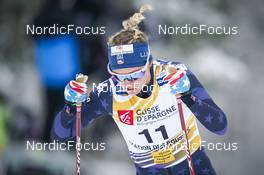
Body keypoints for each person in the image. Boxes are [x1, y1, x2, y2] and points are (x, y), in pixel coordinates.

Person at [52, 5, 227, 175]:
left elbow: (220, 125)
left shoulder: (173, 75)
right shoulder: (109, 92)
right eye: (119, 76)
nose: (128, 83)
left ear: (149, 64)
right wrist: (70, 107)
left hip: (192, 166)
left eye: (135, 75)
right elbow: (60, 134)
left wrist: (188, 97)